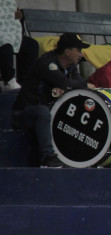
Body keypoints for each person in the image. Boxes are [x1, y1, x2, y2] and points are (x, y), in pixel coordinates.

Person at [12, 32, 94, 167]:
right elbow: (66, 83)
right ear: (67, 52)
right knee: (42, 112)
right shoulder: (47, 62)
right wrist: (84, 85)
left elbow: (78, 85)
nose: (81, 55)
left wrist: (82, 85)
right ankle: (47, 157)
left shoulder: (71, 67)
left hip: (49, 112)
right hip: (25, 113)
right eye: (78, 51)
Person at [0, 0, 37, 90]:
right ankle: (9, 81)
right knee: (5, 44)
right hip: (3, 36)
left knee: (31, 45)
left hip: (6, 31)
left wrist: (18, 16)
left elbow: (7, 10)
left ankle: (25, 83)